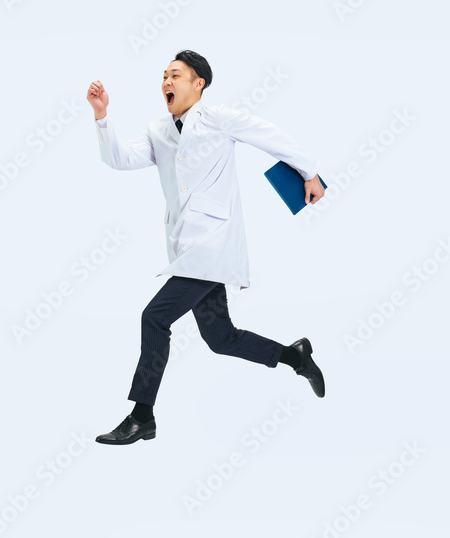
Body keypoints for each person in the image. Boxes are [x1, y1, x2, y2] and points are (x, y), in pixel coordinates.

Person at [87, 50, 326, 446]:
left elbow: (269, 135)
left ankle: (142, 416)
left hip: (214, 244)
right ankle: (295, 356)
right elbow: (118, 159)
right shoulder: (158, 130)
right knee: (221, 338)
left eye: (176, 75)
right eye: (164, 76)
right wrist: (101, 116)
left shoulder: (218, 119)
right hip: (186, 247)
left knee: (154, 317)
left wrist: (310, 172)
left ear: (198, 84)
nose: (167, 81)